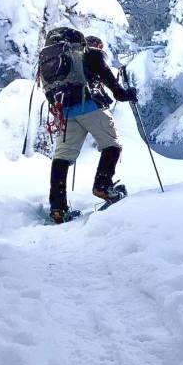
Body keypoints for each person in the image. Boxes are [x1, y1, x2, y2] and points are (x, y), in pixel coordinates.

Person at [44, 31, 137, 223]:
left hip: (66, 112)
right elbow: (115, 88)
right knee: (111, 144)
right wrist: (127, 94)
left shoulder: (57, 60)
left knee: (63, 156)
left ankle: (58, 208)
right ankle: (103, 185)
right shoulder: (92, 54)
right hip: (90, 106)